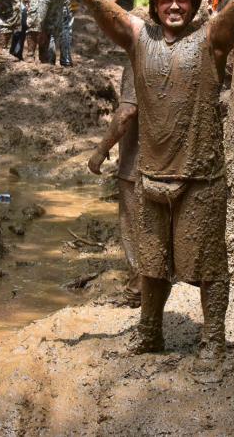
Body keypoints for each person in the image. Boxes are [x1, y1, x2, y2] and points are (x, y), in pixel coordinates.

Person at [33, 0, 234, 366]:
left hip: (202, 176)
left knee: (209, 264)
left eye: (182, 1)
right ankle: (149, 332)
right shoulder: (137, 38)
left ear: (193, 4)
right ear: (155, 5)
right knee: (151, 264)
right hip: (151, 173)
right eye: (167, 0)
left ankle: (213, 339)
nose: (175, 8)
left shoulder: (212, 39)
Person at [88, 48, 143, 307]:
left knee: (135, 229)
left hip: (139, 164)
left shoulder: (140, 57)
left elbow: (127, 112)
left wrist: (100, 150)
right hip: (175, 162)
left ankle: (136, 292)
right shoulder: (186, 54)